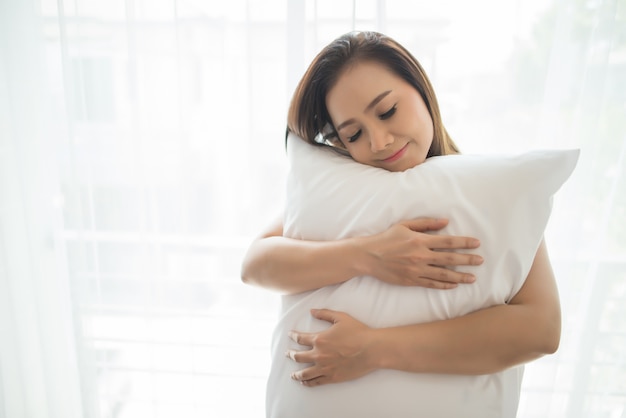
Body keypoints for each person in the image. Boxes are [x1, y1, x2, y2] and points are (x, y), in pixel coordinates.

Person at [241, 31, 560, 416]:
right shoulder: (350, 194)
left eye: (388, 111)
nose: (378, 142)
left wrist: (374, 348)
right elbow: (255, 264)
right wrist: (368, 256)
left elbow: (541, 329)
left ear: (421, 90)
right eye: (354, 134)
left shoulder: (485, 193)